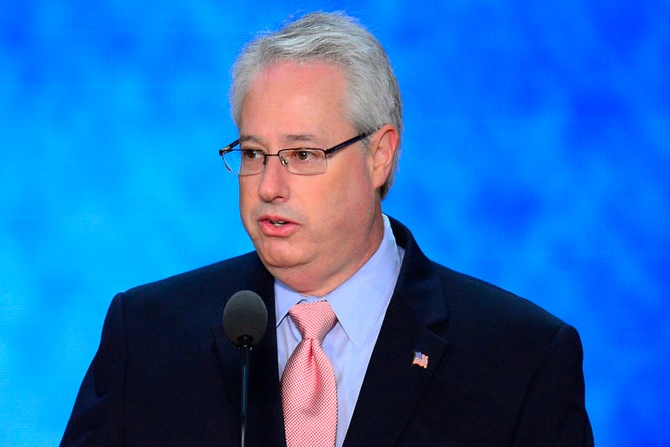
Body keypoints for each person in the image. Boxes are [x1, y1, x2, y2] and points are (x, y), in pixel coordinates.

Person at [60, 11, 593, 447]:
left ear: (379, 156)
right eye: (252, 153)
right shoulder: (149, 337)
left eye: (302, 154)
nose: (269, 185)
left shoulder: (521, 359)